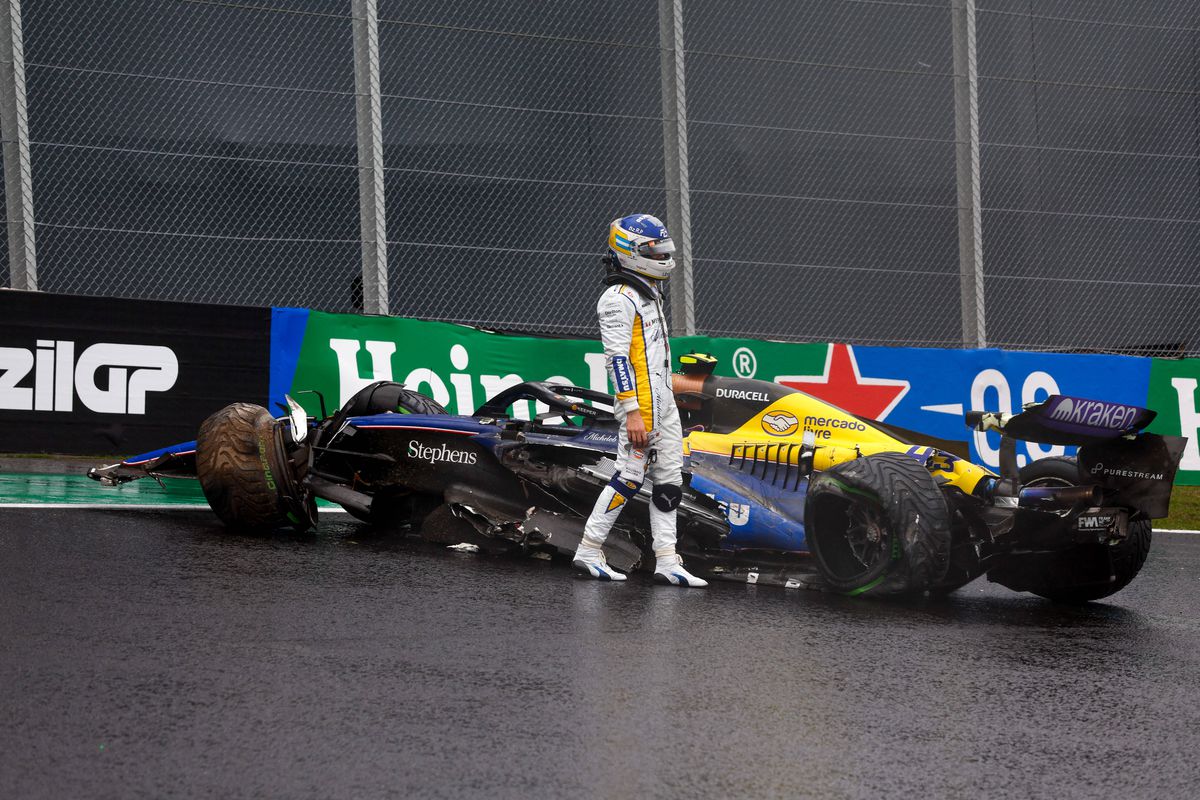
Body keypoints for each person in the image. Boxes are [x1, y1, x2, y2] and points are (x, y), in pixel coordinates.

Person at [571, 214, 708, 588]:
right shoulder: (617, 299)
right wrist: (632, 412)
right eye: (654, 250)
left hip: (664, 403)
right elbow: (616, 359)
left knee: (669, 482)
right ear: (629, 252)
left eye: (664, 248)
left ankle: (666, 559)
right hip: (642, 407)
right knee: (629, 478)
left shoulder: (647, 291)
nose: (662, 256)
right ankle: (588, 548)